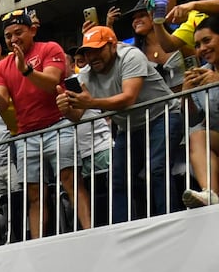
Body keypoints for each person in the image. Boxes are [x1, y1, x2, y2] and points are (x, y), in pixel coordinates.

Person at [0, 9, 92, 239]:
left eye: (18, 32)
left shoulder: (50, 48)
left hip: (57, 125)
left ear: (33, 30)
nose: (13, 39)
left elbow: (52, 83)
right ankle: (38, 241)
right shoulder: (1, 67)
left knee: (70, 180)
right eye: (9, 35)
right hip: (26, 135)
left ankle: (90, 231)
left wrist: (27, 70)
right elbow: (2, 104)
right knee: (33, 193)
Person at [58, 25, 178, 222]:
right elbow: (77, 116)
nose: (92, 57)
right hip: (129, 127)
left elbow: (128, 98)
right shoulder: (86, 75)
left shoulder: (131, 56)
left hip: (162, 115)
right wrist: (66, 108)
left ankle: (169, 220)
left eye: (98, 50)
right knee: (118, 178)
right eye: (87, 52)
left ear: (113, 46)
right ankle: (122, 228)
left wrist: (92, 102)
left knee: (157, 168)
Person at [182, 15, 219, 207]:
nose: (202, 49)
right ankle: (210, 195)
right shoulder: (202, 72)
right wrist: (186, 94)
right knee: (196, 136)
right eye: (197, 45)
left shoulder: (211, 75)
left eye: (207, 40)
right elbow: (193, 119)